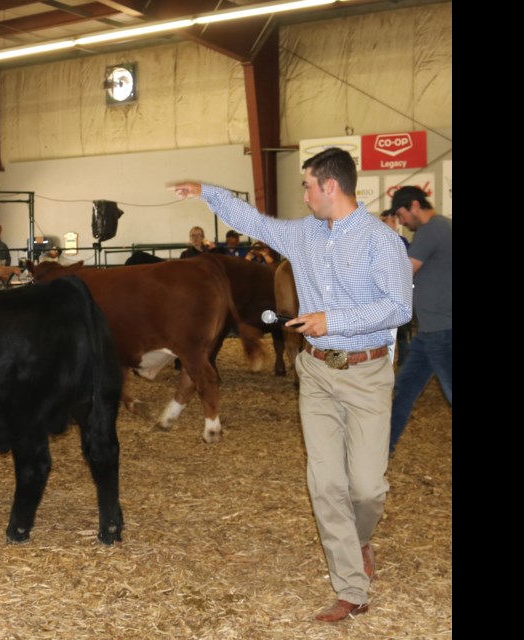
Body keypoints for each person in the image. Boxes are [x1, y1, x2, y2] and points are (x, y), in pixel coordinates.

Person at [169, 147, 412, 623]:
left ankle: (359, 539)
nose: (302, 194)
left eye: (306, 185)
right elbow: (255, 221)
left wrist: (333, 319)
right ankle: (351, 588)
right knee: (324, 484)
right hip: (317, 372)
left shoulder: (380, 242)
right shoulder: (302, 235)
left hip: (366, 373)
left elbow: (400, 307)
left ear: (329, 186)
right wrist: (207, 194)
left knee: (366, 489)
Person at [388, 186, 452, 455]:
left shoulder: (431, 230)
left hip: (442, 330)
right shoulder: (442, 227)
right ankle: (382, 448)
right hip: (430, 332)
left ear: (414, 205)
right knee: (405, 388)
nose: (402, 221)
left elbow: (403, 272)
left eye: (401, 215)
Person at [380, 208, 413, 367]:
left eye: (383, 221)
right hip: (381, 297)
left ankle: (404, 362)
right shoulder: (376, 241)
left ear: (393, 221)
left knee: (401, 333)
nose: (380, 224)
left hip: (399, 296)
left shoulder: (402, 243)